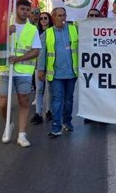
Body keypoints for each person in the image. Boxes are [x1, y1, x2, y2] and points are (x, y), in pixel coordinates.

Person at [0, 0, 41, 148]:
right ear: (16, 10)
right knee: (3, 103)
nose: (25, 12)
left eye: (28, 10)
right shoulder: (6, 26)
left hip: (24, 72)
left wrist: (19, 58)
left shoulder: (32, 29)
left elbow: (36, 51)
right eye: (22, 9)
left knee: (24, 102)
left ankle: (22, 134)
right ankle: (8, 124)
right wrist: (5, 34)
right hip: (5, 70)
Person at [37, 7, 79, 138]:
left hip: (72, 73)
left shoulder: (74, 30)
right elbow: (42, 53)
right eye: (59, 15)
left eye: (64, 15)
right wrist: (40, 69)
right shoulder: (47, 33)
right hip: (55, 74)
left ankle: (67, 121)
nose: (62, 18)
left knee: (68, 100)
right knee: (57, 100)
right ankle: (56, 127)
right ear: (53, 17)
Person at [31, 11, 53, 125]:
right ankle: (38, 113)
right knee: (39, 90)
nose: (43, 20)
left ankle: (49, 111)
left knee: (49, 89)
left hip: (50, 65)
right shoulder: (36, 33)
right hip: (38, 66)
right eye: (41, 18)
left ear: (49, 19)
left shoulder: (52, 32)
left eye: (45, 18)